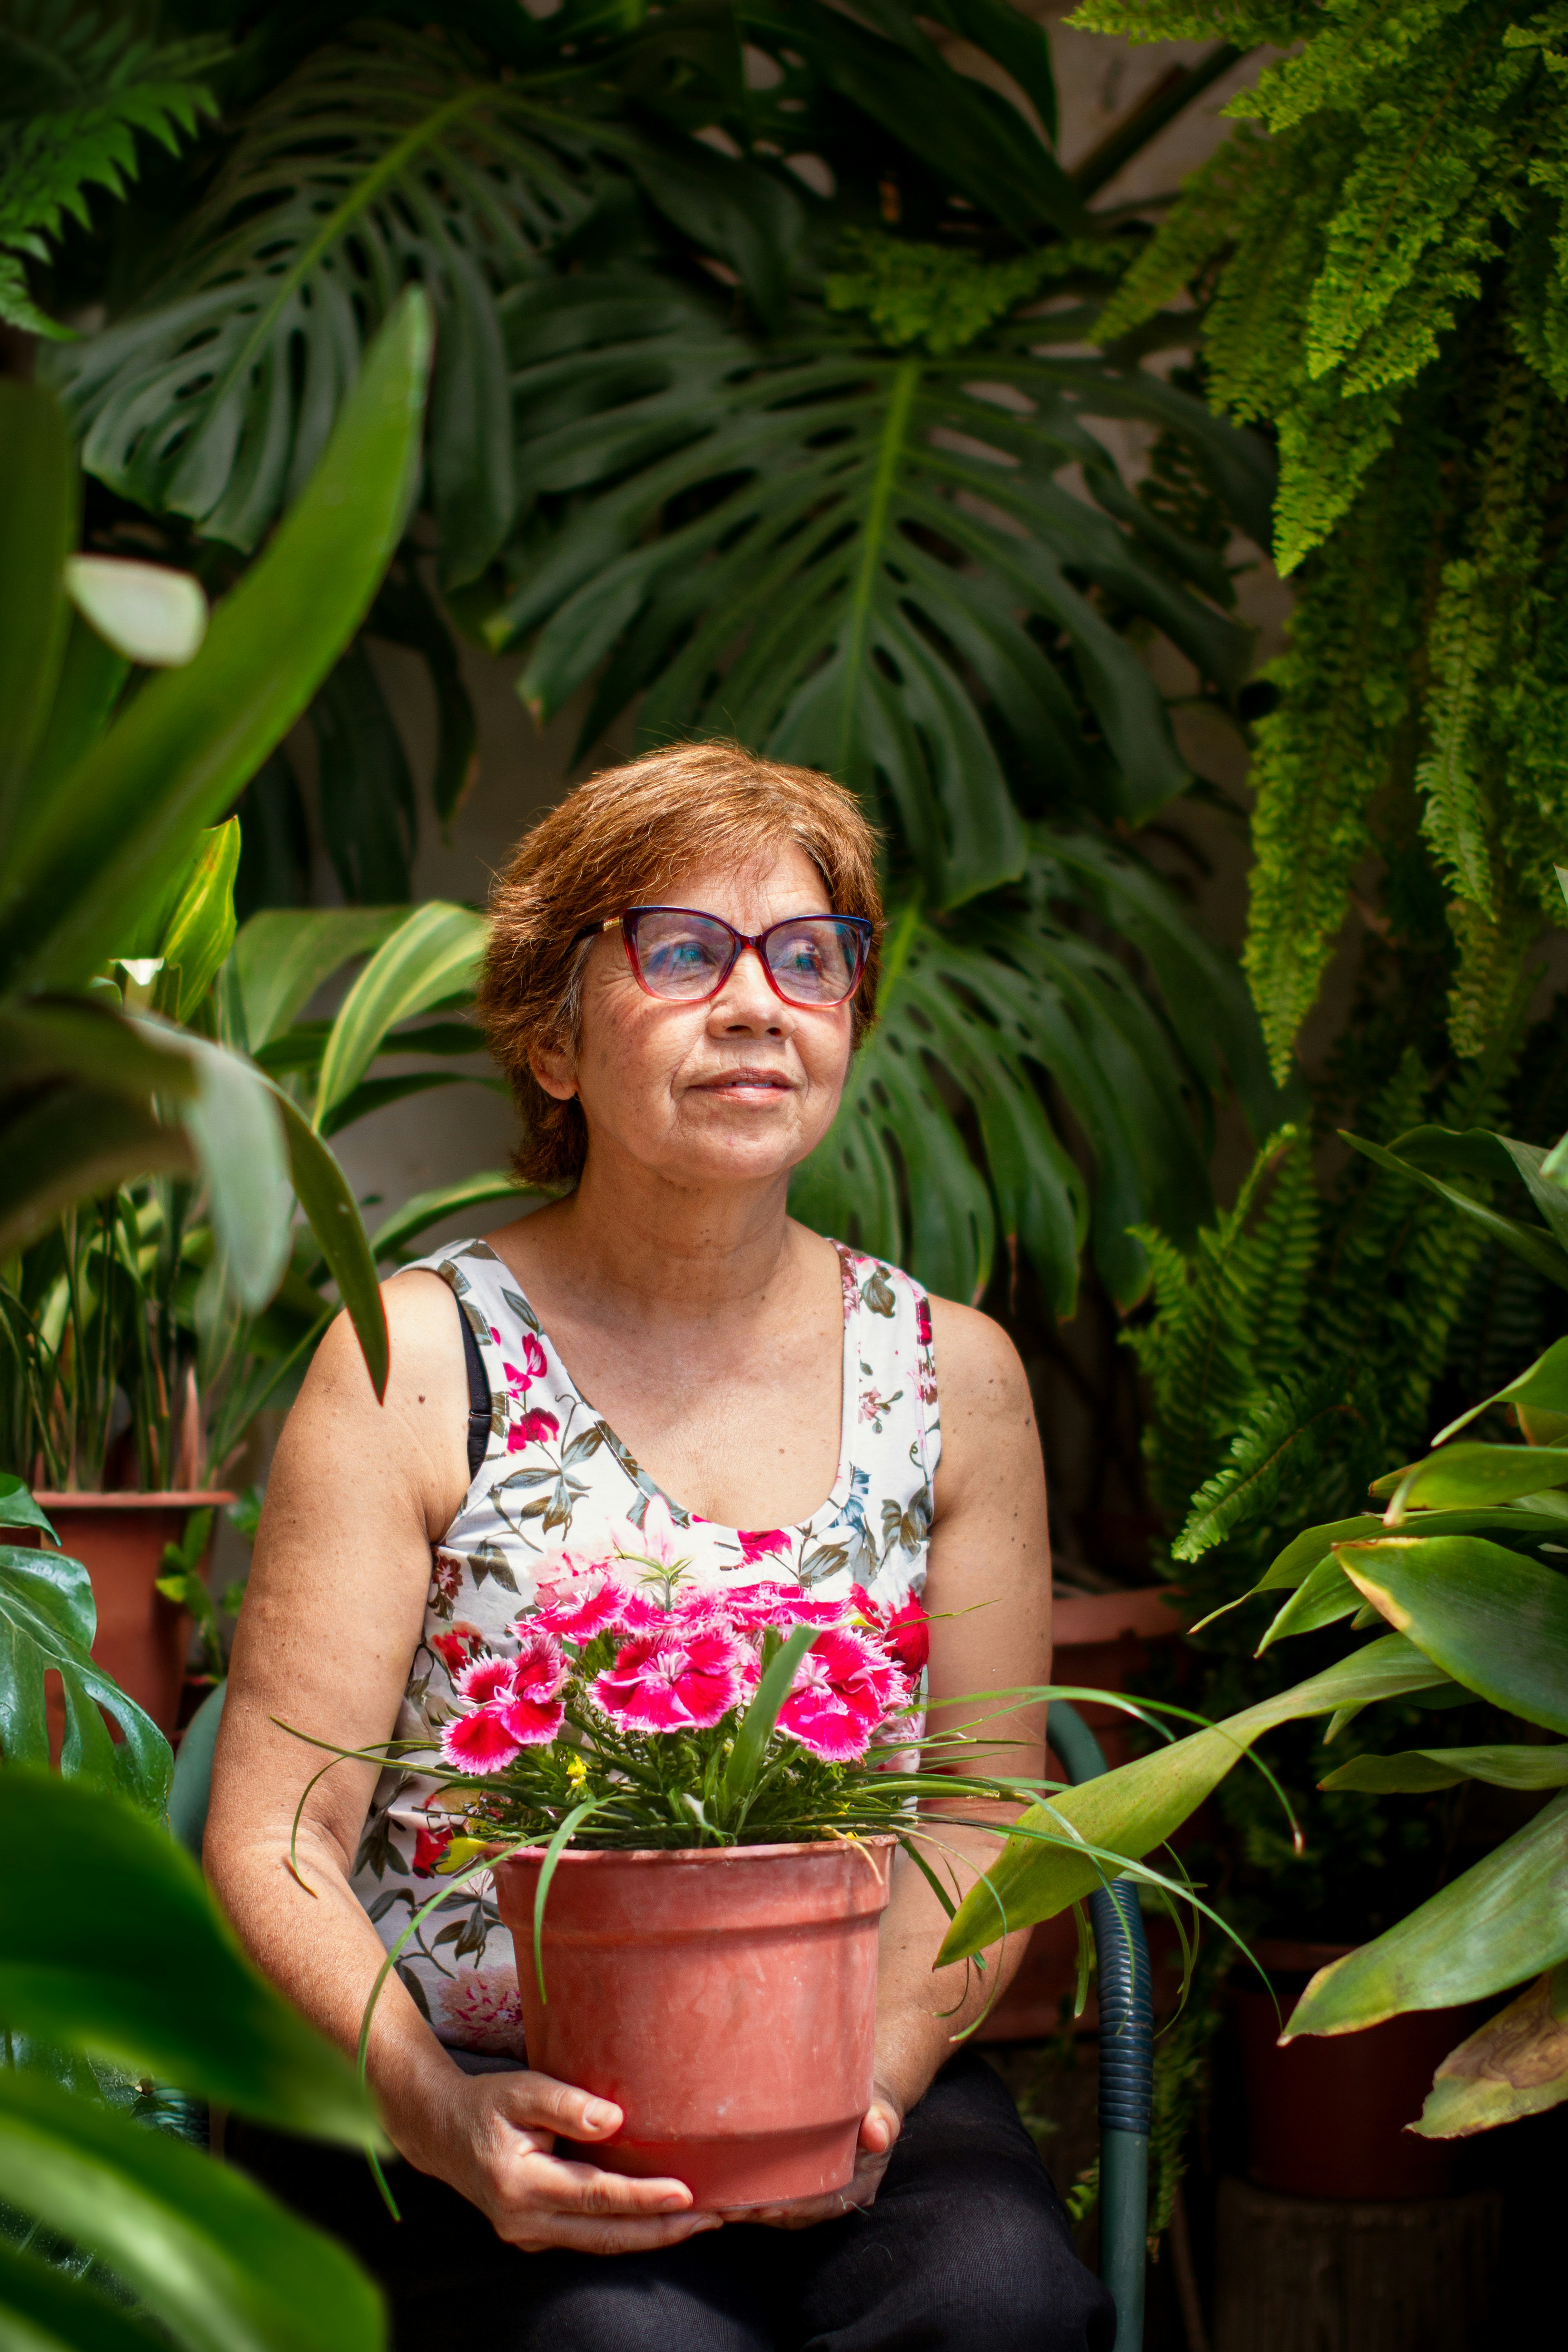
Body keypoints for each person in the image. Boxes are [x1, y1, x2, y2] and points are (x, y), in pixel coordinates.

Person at [206, 743, 1114, 2352]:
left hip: (845, 2067)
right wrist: (437, 2118)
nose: (758, 1002)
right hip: (475, 2088)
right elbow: (282, 1829)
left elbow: (987, 1809)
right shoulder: (412, 1360)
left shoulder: (950, 1373)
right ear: (552, 1041)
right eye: (683, 950)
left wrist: (872, 2093)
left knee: (1004, 2299)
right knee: (633, 2346)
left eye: (809, 956)